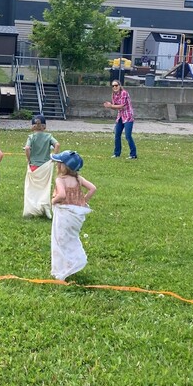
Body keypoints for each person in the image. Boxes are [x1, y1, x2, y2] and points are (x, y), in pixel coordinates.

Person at [50, 150, 96, 281]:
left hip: (64, 214)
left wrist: (52, 201)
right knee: (72, 238)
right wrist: (83, 201)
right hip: (77, 214)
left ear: (63, 166)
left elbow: (62, 195)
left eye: (59, 163)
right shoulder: (78, 178)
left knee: (60, 239)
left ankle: (64, 267)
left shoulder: (60, 179)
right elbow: (93, 188)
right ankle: (72, 261)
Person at [23, 113, 60, 218]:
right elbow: (57, 144)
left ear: (32, 126)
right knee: (45, 187)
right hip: (45, 165)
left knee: (31, 188)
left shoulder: (31, 137)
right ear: (44, 126)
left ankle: (30, 210)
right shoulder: (49, 136)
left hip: (33, 165)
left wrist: (29, 159)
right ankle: (45, 207)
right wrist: (54, 156)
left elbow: (27, 148)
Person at [103, 80, 137, 159]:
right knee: (117, 135)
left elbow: (122, 106)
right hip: (120, 117)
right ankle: (116, 153)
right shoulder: (113, 95)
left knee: (128, 136)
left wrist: (110, 105)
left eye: (116, 85)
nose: (115, 87)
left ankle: (133, 154)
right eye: (113, 86)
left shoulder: (124, 93)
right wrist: (110, 106)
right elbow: (115, 107)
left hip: (128, 116)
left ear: (119, 85)